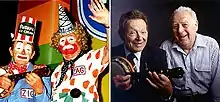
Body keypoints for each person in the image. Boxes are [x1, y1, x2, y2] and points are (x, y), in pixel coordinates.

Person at [50, 0, 109, 102]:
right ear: (58, 46)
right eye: (62, 41)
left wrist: (108, 24)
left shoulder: (90, 59)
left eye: (71, 39)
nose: (67, 44)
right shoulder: (57, 72)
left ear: (80, 41)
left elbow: (108, 52)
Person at [160, 6, 220, 102]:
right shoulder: (165, 48)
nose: (180, 30)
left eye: (185, 24)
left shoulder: (211, 46)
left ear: (195, 26)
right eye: (175, 26)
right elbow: (164, 89)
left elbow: (218, 88)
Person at [111, 10, 173, 102]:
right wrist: (111, 86)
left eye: (143, 32)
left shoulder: (158, 55)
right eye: (133, 33)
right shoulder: (110, 54)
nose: (140, 38)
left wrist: (168, 92)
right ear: (122, 35)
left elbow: (164, 97)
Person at [0, 16, 51, 102]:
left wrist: (40, 91)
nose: (23, 52)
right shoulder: (1, 72)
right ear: (11, 51)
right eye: (19, 48)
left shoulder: (41, 73)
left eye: (28, 49)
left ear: (32, 54)